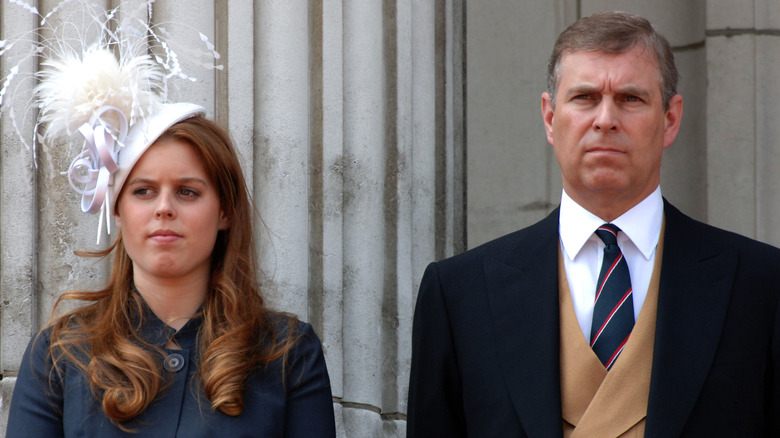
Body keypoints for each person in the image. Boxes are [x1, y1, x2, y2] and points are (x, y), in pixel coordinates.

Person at [407, 11, 780, 438]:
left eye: (630, 98)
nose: (606, 119)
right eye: (584, 97)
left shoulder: (762, 287)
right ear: (550, 117)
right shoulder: (460, 295)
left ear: (670, 119)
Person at [5, 46, 336, 438]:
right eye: (143, 191)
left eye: (188, 192)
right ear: (116, 209)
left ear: (225, 212)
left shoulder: (287, 353)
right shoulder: (60, 354)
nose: (164, 208)